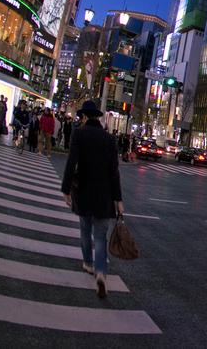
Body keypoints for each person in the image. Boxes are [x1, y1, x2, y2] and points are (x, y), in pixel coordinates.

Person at [60, 100, 123, 299]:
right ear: (98, 117)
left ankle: (88, 263)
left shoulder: (79, 134)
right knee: (100, 237)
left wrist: (66, 190)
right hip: (104, 196)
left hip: (84, 192)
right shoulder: (109, 139)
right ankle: (101, 273)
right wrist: (118, 199)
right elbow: (114, 172)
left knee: (85, 230)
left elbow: (72, 162)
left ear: (85, 117)